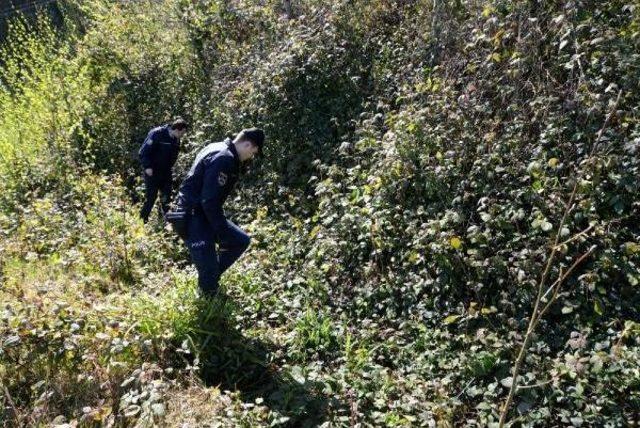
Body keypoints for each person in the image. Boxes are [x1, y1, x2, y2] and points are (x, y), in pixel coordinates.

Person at [175, 128, 265, 297]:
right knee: (209, 278)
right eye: (253, 153)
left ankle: (209, 276)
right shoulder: (225, 158)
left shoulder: (216, 147)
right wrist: (221, 231)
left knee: (240, 240)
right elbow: (209, 200)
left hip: (202, 213)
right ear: (247, 145)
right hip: (193, 216)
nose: (250, 157)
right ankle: (208, 301)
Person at [138, 118, 189, 223]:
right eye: (183, 133)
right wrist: (147, 167)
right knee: (151, 198)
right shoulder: (157, 133)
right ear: (178, 130)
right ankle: (142, 221)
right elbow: (143, 152)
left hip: (165, 172)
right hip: (152, 171)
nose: (183, 135)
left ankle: (164, 224)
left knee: (166, 199)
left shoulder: (175, 139)